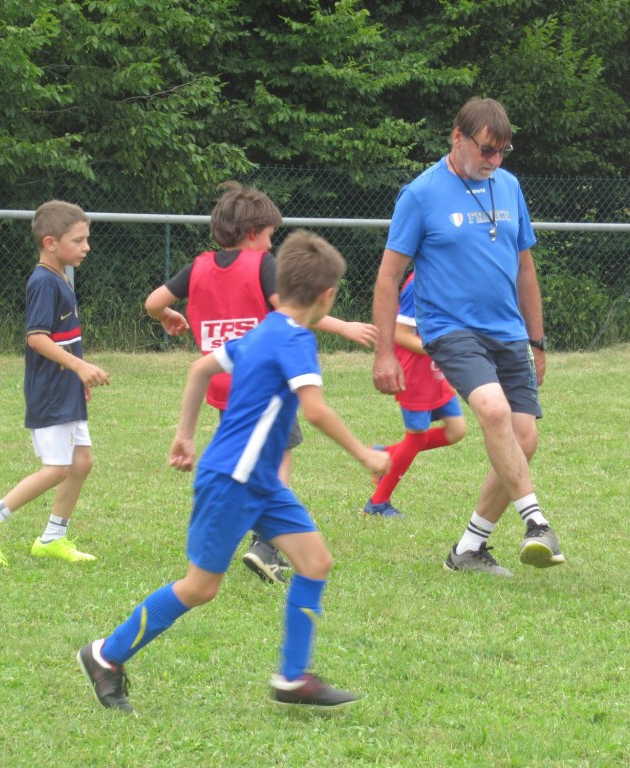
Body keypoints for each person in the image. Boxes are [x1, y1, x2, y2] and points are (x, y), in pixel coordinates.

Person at [78, 230, 391, 713]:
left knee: (315, 563)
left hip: (260, 482)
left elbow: (200, 369)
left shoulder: (263, 331)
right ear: (328, 295)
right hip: (231, 480)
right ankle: (106, 655)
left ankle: (292, 677)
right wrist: (365, 455)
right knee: (199, 588)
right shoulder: (295, 339)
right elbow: (315, 410)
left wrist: (185, 434)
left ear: (280, 286)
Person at [145, 181, 377, 583]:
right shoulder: (260, 265)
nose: (272, 245)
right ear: (252, 233)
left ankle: (237, 523)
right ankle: (266, 543)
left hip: (221, 385)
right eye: (269, 235)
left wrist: (167, 316)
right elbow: (293, 312)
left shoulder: (198, 266)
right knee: (278, 455)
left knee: (245, 456)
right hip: (263, 382)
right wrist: (344, 327)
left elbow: (152, 302)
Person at [372, 96, 563, 577]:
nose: (494, 160)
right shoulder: (420, 194)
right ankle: (536, 521)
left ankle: (469, 548)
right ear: (457, 138)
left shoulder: (509, 186)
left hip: (508, 331)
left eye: (503, 151)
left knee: (524, 439)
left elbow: (525, 268)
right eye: (486, 149)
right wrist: (384, 353)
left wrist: (537, 341)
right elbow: (388, 278)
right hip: (450, 328)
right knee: (493, 410)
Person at [0, 200, 111, 566]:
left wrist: (77, 375)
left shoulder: (60, 276)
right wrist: (78, 367)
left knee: (81, 462)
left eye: (86, 239)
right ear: (50, 243)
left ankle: (52, 538)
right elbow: (37, 339)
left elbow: (64, 337)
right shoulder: (43, 282)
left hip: (66, 387)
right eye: (78, 240)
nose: (86, 247)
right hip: (50, 392)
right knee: (57, 468)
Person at [364, 272, 467, 517]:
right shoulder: (420, 283)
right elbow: (400, 333)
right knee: (416, 437)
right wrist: (441, 352)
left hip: (433, 368)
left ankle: (385, 454)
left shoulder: (449, 277)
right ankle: (377, 503)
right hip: (414, 371)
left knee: (456, 430)